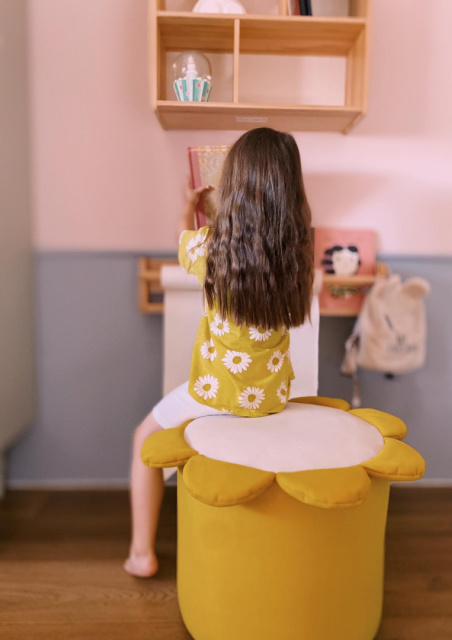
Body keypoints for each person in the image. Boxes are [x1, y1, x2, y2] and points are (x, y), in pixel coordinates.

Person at [124, 128, 314, 578]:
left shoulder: (210, 250)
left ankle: (141, 554)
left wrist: (189, 205)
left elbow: (180, 235)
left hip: (213, 397)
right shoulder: (297, 255)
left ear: (232, 191)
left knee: (142, 440)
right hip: (270, 400)